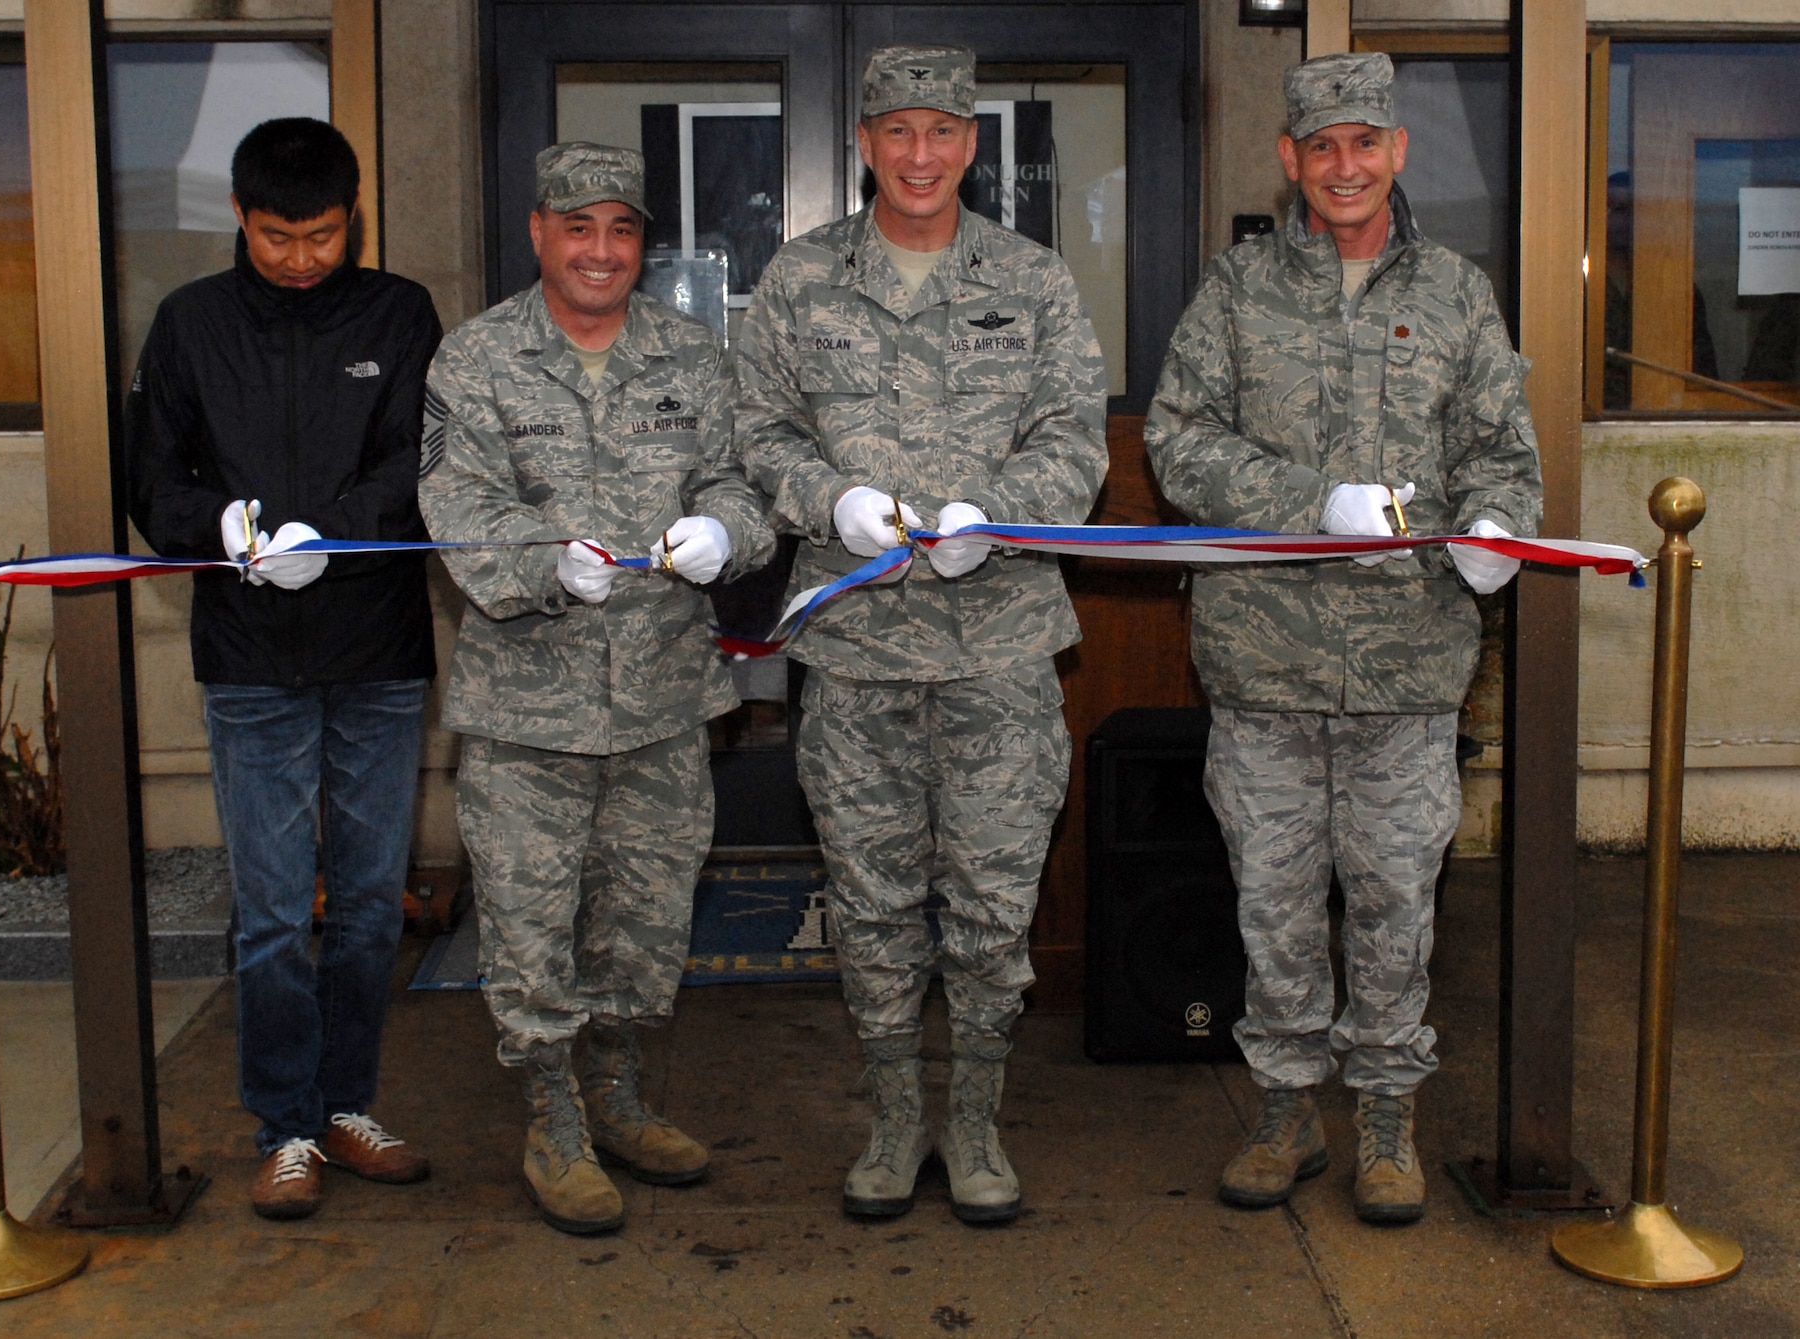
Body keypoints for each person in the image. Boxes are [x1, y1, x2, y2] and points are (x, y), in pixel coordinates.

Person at [1144, 53, 1543, 1225]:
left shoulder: (1460, 294)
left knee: (1391, 906)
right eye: (1320, 147)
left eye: (1363, 143)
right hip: (1261, 664)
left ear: (1395, 150)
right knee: (1268, 902)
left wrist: (1495, 532)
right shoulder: (1233, 289)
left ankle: (1382, 1122)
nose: (1342, 167)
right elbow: (1177, 442)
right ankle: (1281, 1113)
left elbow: (1502, 458)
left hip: (1409, 666)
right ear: (1289, 159)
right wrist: (1307, 498)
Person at [735, 46, 1107, 1224]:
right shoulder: (799, 279)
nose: (918, 154)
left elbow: (1072, 434)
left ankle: (975, 1117)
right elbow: (758, 430)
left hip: (996, 643)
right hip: (852, 651)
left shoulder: (1032, 278)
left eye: (941, 131)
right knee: (874, 895)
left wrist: (1001, 514)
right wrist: (826, 500)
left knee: (994, 900)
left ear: (971, 142)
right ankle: (896, 1113)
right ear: (863, 142)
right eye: (895, 131)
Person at [420, 142, 773, 1235]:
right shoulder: (473, 360)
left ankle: (616, 1094)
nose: (600, 250)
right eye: (578, 227)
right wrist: (538, 560)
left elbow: (741, 483)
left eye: (621, 230)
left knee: (644, 919)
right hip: (527, 705)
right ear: (538, 232)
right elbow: (454, 497)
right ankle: (550, 1119)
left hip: (663, 699)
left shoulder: (692, 356)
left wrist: (726, 527)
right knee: (531, 926)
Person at [127, 117, 442, 1220]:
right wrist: (220, 526)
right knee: (270, 908)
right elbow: (152, 484)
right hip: (249, 656)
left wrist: (333, 536)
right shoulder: (190, 326)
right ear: (240, 221)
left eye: (321, 234)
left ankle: (345, 1106)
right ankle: (283, 1127)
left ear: (353, 217)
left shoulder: (397, 313)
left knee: (362, 903)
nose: (301, 257)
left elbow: (418, 460)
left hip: (376, 649)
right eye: (276, 236)